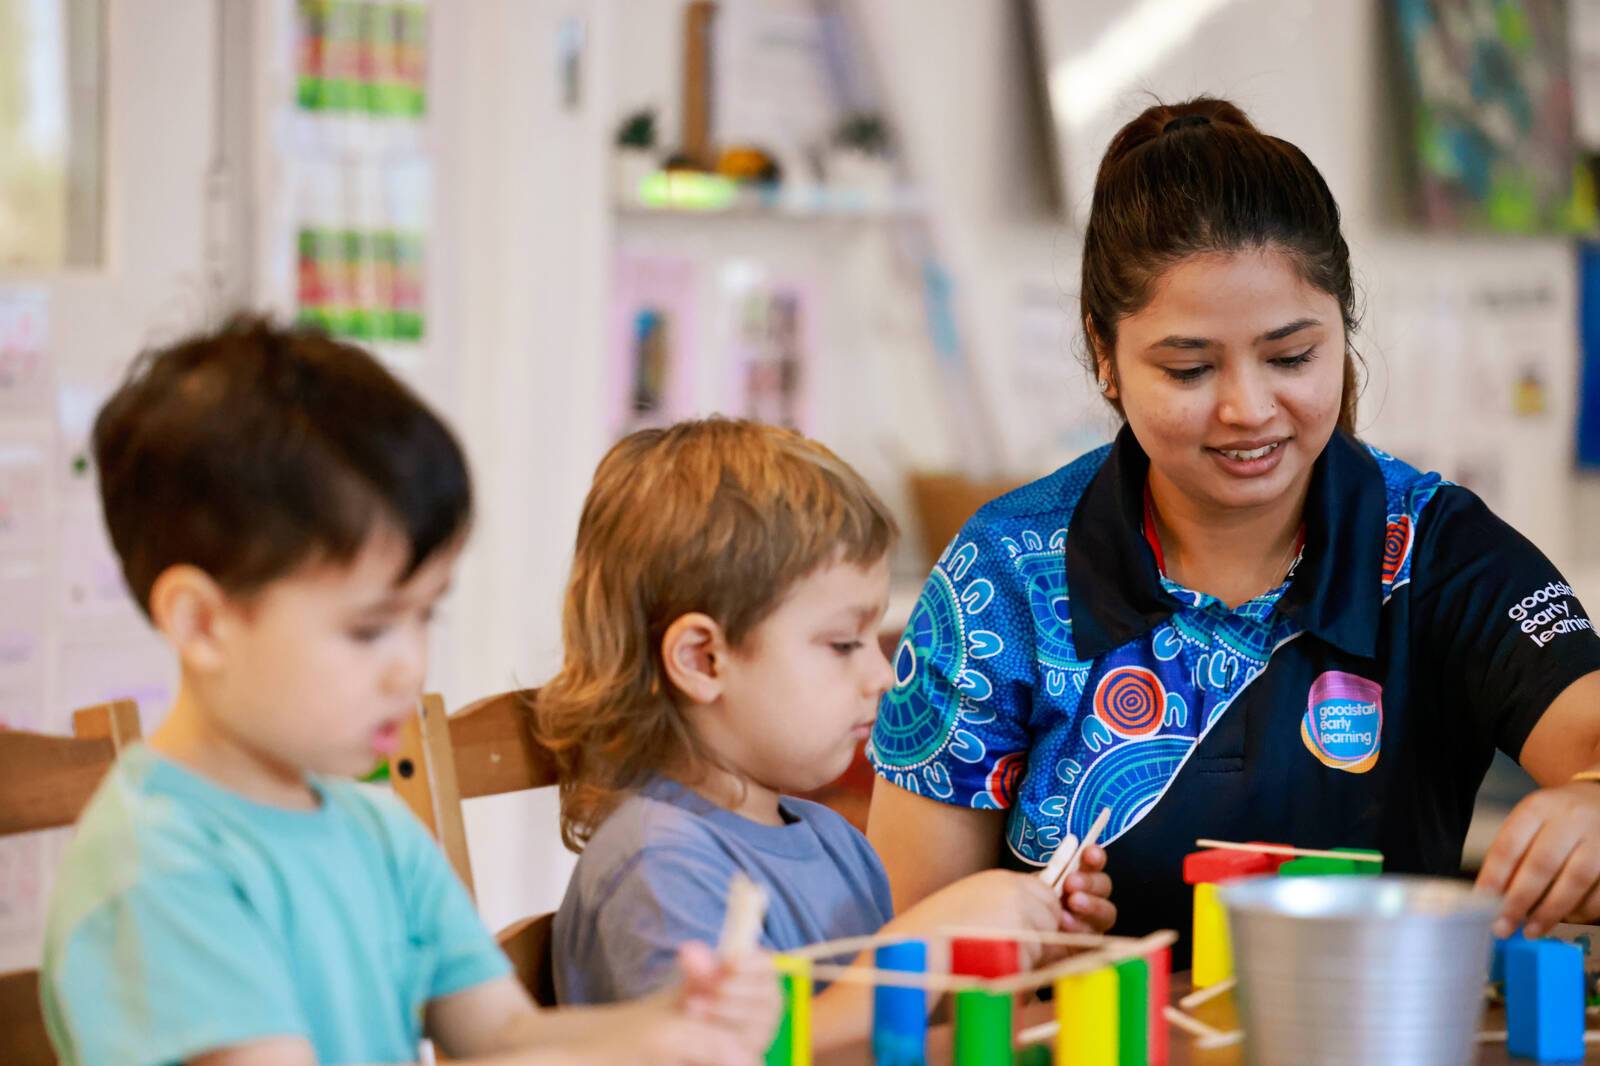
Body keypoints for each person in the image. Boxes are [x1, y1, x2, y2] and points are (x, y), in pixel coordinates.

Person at [865, 97, 1600, 958]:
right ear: (1103, 355)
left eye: (1291, 358)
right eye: (1188, 367)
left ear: (1342, 330)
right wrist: (1011, 935)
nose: (1247, 410)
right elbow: (903, 953)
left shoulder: (1433, 549)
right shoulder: (1005, 575)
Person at [41, 317, 777, 1066]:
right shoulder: (158, 867)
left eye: (424, 616)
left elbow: (502, 1036)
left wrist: (671, 1025)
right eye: (368, 629)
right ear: (203, 623)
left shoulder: (371, 828)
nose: (409, 666)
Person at [541, 419, 1112, 1049]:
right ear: (703, 660)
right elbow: (730, 1053)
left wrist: (1012, 955)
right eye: (843, 643)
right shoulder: (658, 868)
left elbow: (888, 1036)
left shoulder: (834, 842)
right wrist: (923, 947)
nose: (883, 674)